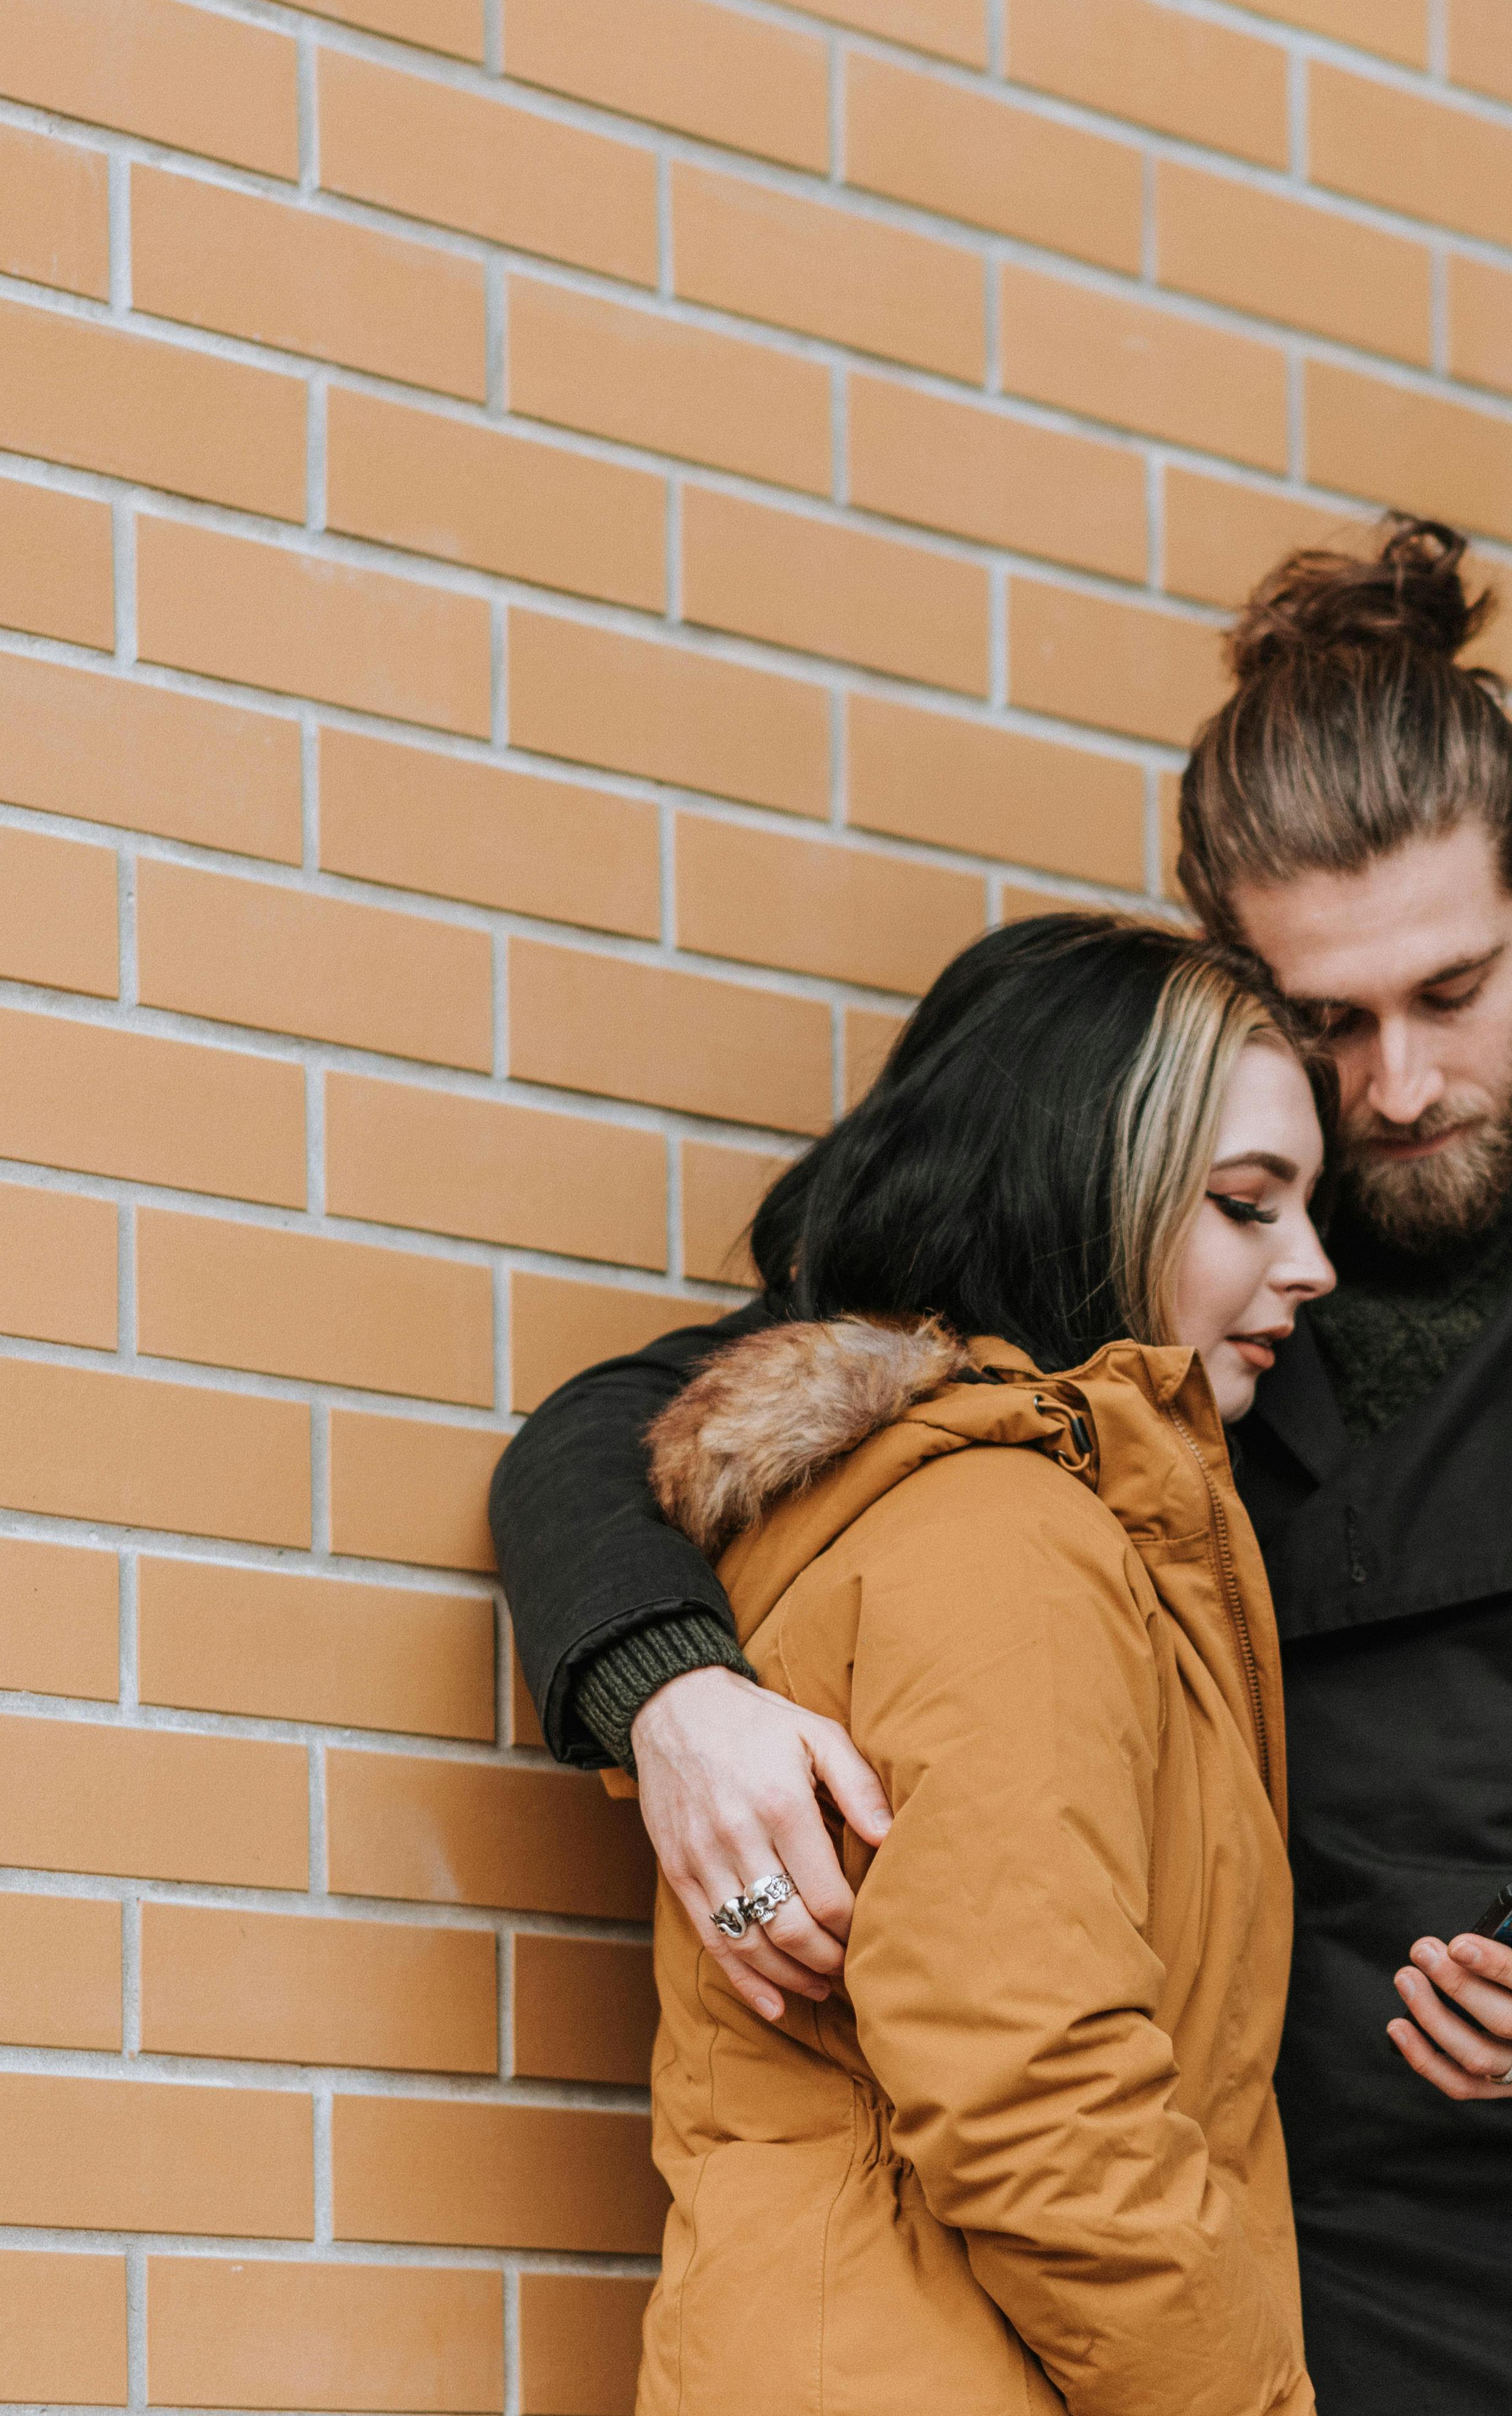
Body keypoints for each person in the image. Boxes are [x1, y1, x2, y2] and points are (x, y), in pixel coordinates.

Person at [495, 519, 1512, 2412]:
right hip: (1218, 2260)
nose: (1390, 1084)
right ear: (1228, 978)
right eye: (1321, 1019)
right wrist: (675, 1698)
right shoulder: (1139, 1247)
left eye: (1450, 992)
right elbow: (638, 1422)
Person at [622, 914, 1336, 2416]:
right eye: (1247, 1204)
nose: (1314, 1265)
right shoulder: (1005, 1537)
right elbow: (1040, 2093)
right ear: (1092, 1185)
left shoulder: (960, 1510)